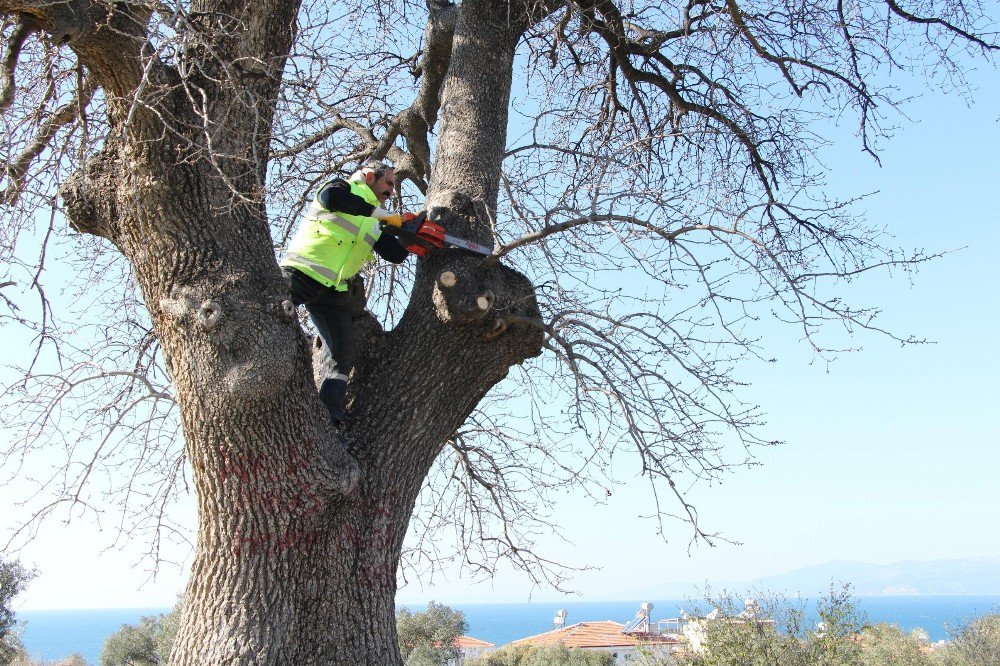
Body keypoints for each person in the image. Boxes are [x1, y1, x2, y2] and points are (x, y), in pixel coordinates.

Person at [281, 160, 418, 432]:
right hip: (302, 272)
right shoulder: (341, 188)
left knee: (342, 352)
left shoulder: (374, 221)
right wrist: (379, 214)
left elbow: (394, 254)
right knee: (272, 311)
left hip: (334, 289)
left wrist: (412, 235)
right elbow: (331, 199)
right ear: (369, 176)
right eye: (388, 183)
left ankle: (329, 418)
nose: (392, 190)